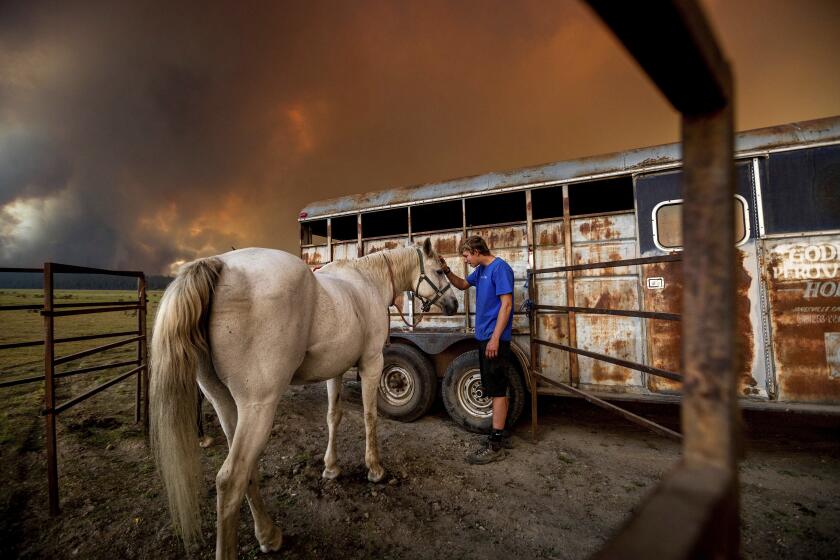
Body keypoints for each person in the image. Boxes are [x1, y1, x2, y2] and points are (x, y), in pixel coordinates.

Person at [439, 235, 514, 464]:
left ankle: (495, 445)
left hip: (495, 340)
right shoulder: (481, 271)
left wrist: (494, 338)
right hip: (485, 338)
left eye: (466, 255)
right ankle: (496, 434)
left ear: (476, 251)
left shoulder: (500, 268)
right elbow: (462, 285)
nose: (465, 259)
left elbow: (507, 304)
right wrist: (446, 270)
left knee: (498, 390)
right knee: (492, 388)